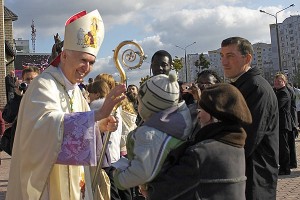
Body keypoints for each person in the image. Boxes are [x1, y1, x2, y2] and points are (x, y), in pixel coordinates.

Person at [6, 10, 126, 200]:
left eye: (91, 62)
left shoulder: (76, 91)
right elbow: (43, 128)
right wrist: (98, 114)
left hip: (77, 183)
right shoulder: (43, 85)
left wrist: (98, 126)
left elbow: (78, 129)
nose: (86, 68)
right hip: (49, 186)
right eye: (82, 60)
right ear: (64, 57)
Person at [143, 83, 252, 200]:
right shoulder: (237, 147)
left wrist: (146, 188)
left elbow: (159, 194)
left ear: (212, 114)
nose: (198, 115)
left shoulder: (200, 153)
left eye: (201, 110)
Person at [220, 36, 279, 200]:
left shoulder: (255, 88)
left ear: (247, 58)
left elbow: (246, 137)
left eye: (230, 56)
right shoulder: (241, 85)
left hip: (254, 175)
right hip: (242, 174)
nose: (224, 62)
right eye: (222, 56)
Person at [113, 73, 193, 190]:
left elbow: (142, 172)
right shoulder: (178, 122)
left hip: (161, 190)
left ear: (149, 105)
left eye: (140, 102)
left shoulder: (151, 134)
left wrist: (119, 178)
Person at [1, 66, 40, 155]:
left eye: (34, 79)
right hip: (21, 144)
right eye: (27, 79)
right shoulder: (19, 97)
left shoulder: (46, 97)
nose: (31, 82)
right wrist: (18, 97)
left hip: (39, 144)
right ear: (23, 80)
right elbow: (7, 117)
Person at [274, 73, 292, 175]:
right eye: (276, 81)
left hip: (283, 124)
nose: (276, 83)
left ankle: (285, 168)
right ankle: (283, 167)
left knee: (283, 147)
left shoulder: (283, 93)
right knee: (281, 147)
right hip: (280, 124)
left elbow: (277, 106)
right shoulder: (278, 92)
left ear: (284, 82)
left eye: (279, 81)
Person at [286, 82, 298, 169]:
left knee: (290, 143)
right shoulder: (290, 90)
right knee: (291, 143)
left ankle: (292, 162)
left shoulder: (288, 91)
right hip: (292, 118)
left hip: (290, 119)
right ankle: (292, 162)